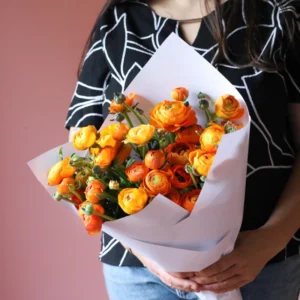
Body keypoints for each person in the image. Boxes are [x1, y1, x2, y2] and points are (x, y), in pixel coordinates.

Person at [66, 0, 300, 299]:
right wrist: (148, 255)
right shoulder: (119, 21)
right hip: (139, 272)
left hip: (259, 264)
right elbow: (83, 161)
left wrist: (269, 240)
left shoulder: (278, 14)